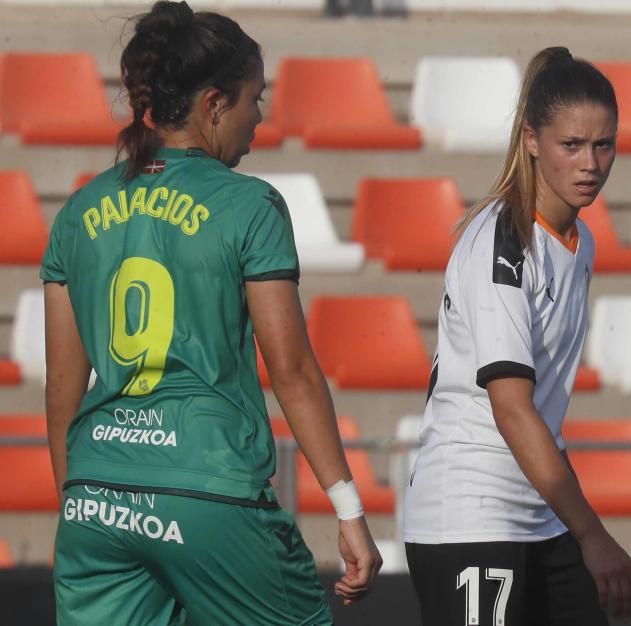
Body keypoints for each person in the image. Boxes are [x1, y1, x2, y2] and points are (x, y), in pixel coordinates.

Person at [42, 3, 381, 624]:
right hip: (208, 486)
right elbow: (293, 370)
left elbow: (63, 391)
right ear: (215, 104)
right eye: (256, 97)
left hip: (96, 495)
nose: (262, 115)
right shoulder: (249, 205)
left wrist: (81, 499)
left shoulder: (77, 211)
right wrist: (347, 506)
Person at [402, 47, 631, 625]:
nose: (591, 163)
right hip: (471, 512)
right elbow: (511, 408)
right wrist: (592, 532)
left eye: (604, 144)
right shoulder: (503, 240)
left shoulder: (582, 242)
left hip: (539, 509)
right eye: (572, 145)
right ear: (532, 139)